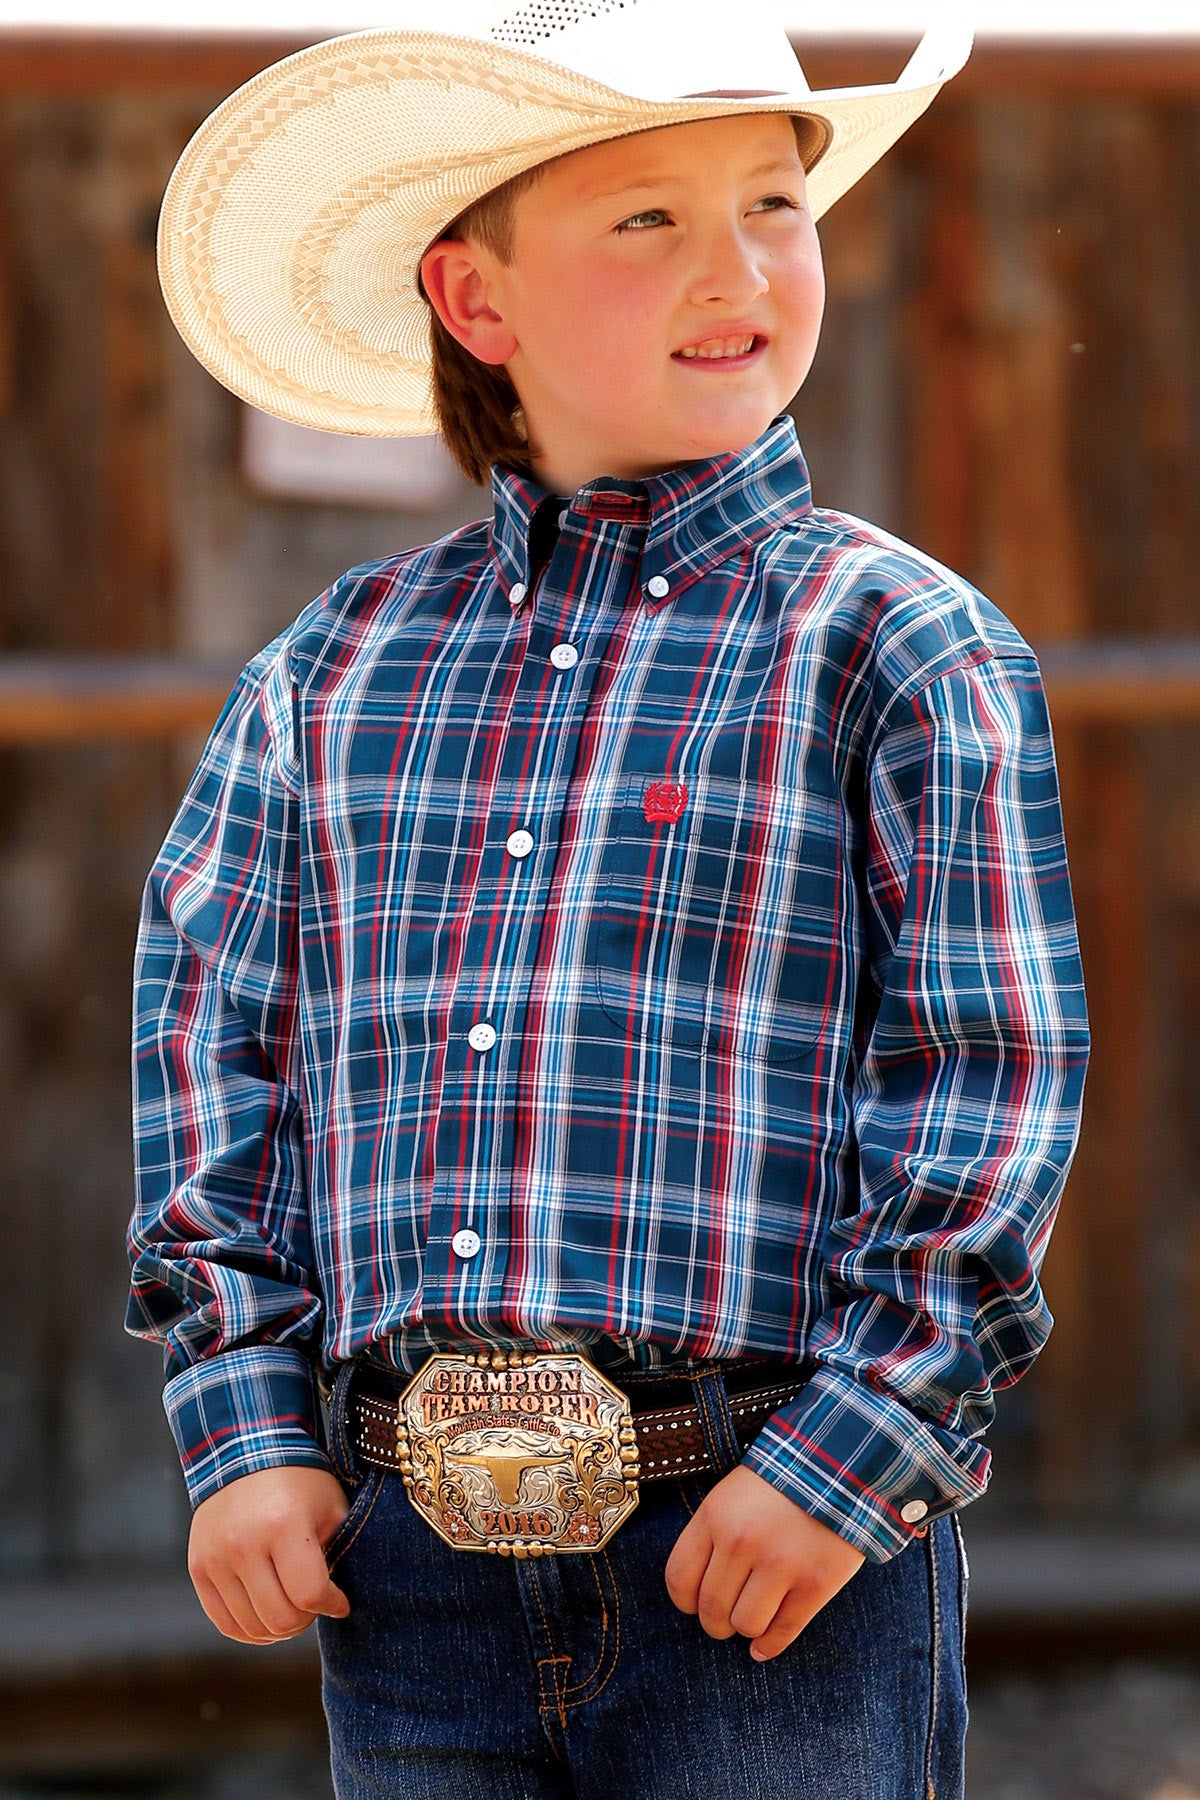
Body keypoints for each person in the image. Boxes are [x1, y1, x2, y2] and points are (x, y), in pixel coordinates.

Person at [127, 4, 1089, 1795]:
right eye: (646, 216)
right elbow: (211, 1053)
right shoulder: (331, 674)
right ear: (475, 302)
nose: (736, 266)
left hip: (771, 1538)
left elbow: (992, 1083)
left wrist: (851, 1455)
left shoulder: (894, 645)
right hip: (404, 1560)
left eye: (773, 207)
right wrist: (245, 1425)